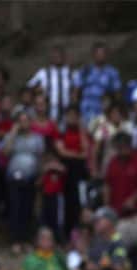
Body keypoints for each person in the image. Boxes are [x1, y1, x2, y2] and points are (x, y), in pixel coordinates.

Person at [2, 108, 46, 253]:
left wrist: (40, 176)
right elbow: (5, 152)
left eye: (26, 120)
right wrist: (14, 132)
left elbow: (41, 158)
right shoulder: (11, 137)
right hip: (14, 178)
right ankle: (15, 240)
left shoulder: (37, 138)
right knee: (15, 208)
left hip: (30, 178)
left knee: (27, 209)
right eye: (20, 121)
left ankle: (26, 239)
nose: (23, 123)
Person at [56, 105, 91, 238]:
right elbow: (62, 152)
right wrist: (78, 154)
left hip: (79, 173)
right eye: (69, 115)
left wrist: (81, 129)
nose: (71, 118)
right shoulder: (62, 132)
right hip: (65, 173)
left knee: (80, 203)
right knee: (65, 205)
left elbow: (85, 150)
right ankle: (65, 235)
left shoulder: (82, 133)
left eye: (74, 115)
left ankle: (81, 234)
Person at [104, 132, 137, 219]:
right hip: (116, 212)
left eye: (122, 147)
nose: (120, 150)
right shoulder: (113, 162)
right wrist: (106, 206)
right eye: (117, 148)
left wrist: (134, 199)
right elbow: (107, 185)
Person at [76, 42, 121, 125]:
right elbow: (77, 91)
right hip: (86, 111)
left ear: (107, 55)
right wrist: (76, 109)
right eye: (98, 53)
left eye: (103, 53)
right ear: (93, 55)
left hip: (104, 111)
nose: (100, 56)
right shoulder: (85, 71)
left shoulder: (112, 72)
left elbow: (117, 94)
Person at [27, 46, 75, 123]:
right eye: (55, 56)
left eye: (59, 56)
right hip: (48, 113)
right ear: (51, 58)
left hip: (65, 114)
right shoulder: (43, 73)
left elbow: (75, 90)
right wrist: (37, 92)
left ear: (64, 57)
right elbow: (29, 87)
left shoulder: (70, 72)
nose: (57, 58)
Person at [39, 148, 67, 242]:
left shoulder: (59, 170)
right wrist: (47, 168)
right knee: (45, 218)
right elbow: (40, 181)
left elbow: (63, 169)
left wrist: (53, 166)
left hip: (57, 197)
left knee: (58, 220)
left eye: (54, 159)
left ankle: (59, 239)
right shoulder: (46, 171)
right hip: (47, 196)